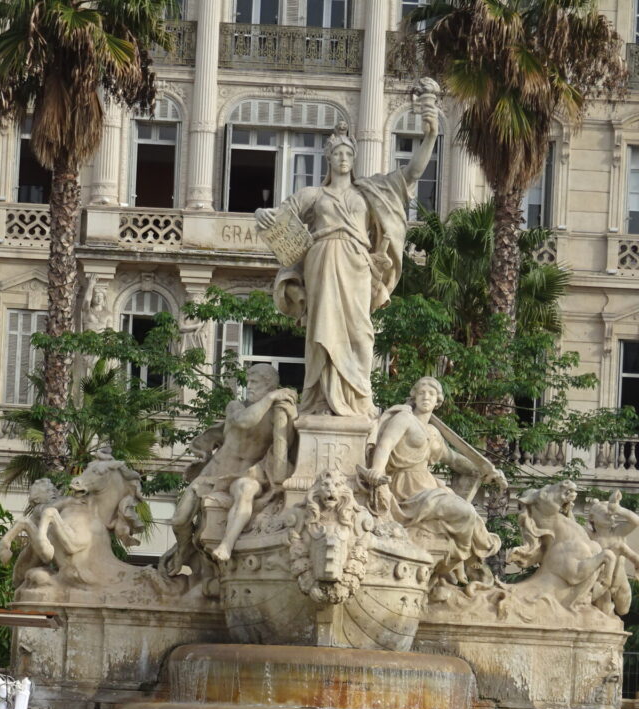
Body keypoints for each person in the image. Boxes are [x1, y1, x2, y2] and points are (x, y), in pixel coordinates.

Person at [255, 102, 439, 418]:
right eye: (337, 154)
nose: (343, 159)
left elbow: (413, 172)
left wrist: (431, 135)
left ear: (353, 160)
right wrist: (263, 214)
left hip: (357, 264)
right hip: (323, 259)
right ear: (328, 159)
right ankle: (320, 401)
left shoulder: (369, 192)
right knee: (322, 327)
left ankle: (359, 399)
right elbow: (280, 216)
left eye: (348, 155)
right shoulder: (314, 195)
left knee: (361, 332)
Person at [160, 363, 297, 575]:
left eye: (254, 383)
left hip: (247, 474)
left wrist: (290, 417)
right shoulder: (236, 406)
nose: (248, 387)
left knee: (246, 490)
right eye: (248, 382)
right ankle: (182, 550)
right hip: (214, 473)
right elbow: (244, 421)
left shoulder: (275, 416)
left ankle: (227, 544)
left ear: (269, 385)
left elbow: (286, 446)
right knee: (180, 519)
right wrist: (270, 398)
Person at [365, 377, 506, 580]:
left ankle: (456, 560)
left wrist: (484, 472)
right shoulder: (404, 419)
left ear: (437, 401)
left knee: (471, 516)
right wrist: (377, 470)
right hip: (406, 486)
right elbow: (385, 444)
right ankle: (461, 558)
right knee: (465, 511)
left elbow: (454, 459)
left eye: (431, 394)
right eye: (421, 393)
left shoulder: (433, 432)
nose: (425, 397)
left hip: (427, 485)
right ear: (414, 397)